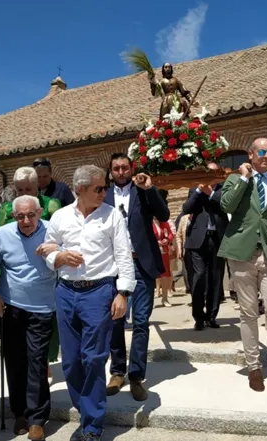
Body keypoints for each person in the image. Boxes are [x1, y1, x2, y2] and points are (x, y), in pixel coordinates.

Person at [39, 165, 135, 441]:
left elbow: (124, 256)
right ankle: (87, 412)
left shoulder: (112, 216)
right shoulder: (60, 216)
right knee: (70, 362)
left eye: (104, 187)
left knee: (93, 359)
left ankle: (92, 426)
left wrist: (123, 293)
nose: (105, 192)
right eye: (99, 188)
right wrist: (59, 258)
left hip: (100, 292)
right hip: (66, 292)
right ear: (80, 189)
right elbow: (48, 247)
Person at [218, 138, 267, 392]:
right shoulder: (235, 179)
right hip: (241, 253)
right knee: (248, 312)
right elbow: (226, 205)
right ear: (250, 154)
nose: (266, 155)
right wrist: (242, 178)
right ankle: (254, 367)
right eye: (261, 151)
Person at [0, 195, 57, 440]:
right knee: (15, 362)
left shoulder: (53, 231)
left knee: (37, 361)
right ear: (13, 215)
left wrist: (57, 250)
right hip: (11, 307)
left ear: (39, 212)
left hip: (43, 307)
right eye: (20, 216)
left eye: (30, 215)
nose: (26, 220)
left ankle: (38, 418)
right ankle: (20, 413)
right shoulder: (1, 235)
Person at [104, 153, 169, 401]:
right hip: (114, 267)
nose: (121, 172)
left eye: (125, 167)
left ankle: (136, 377)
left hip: (142, 265)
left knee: (141, 321)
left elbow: (163, 216)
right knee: (115, 320)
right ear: (111, 172)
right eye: (116, 168)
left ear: (132, 169)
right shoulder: (104, 196)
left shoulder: (143, 191)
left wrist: (150, 189)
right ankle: (117, 372)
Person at [182, 168, 228, 331]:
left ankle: (211, 316)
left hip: (217, 239)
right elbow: (186, 209)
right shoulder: (195, 189)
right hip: (197, 240)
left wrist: (210, 192)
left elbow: (225, 205)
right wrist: (198, 191)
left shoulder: (224, 189)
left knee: (216, 279)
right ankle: (198, 317)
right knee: (199, 276)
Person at [154, 189, 175, 307]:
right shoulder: (149, 223)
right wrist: (156, 241)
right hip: (154, 252)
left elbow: (171, 233)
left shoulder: (164, 222)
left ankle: (165, 297)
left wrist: (167, 240)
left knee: (166, 274)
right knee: (155, 275)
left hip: (164, 252)